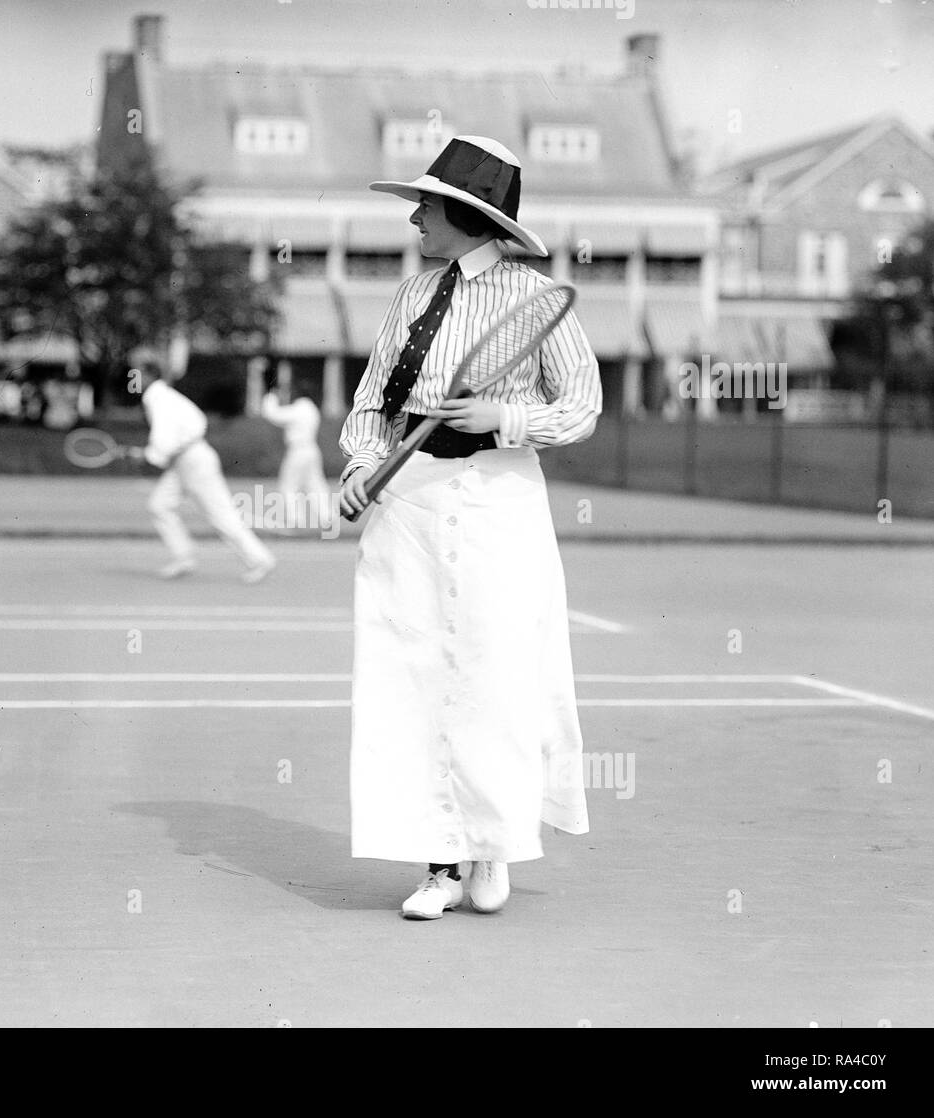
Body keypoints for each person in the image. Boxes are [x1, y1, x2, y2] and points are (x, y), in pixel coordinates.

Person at [338, 135, 601, 920]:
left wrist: (505, 417)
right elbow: (371, 402)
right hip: (409, 503)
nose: (415, 215)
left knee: (495, 675)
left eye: (426, 204)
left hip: (499, 497)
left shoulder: (534, 297)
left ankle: (494, 847)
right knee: (411, 676)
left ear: (466, 214)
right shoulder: (413, 297)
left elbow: (581, 407)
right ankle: (439, 867)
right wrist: (358, 466)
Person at [135, 359, 276, 583]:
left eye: (137, 374)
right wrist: (153, 453)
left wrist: (152, 455)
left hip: (193, 460)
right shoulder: (163, 395)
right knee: (159, 505)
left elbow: (165, 433)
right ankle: (183, 557)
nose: (134, 380)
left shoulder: (156, 396)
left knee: (220, 513)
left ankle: (259, 559)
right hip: (185, 459)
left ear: (150, 375)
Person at [261, 383, 333, 534]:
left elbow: (273, 415)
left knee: (288, 487)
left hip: (298, 451)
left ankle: (295, 521)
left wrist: (270, 397)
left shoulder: (300, 408)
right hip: (312, 449)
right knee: (315, 485)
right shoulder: (312, 409)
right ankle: (327, 518)